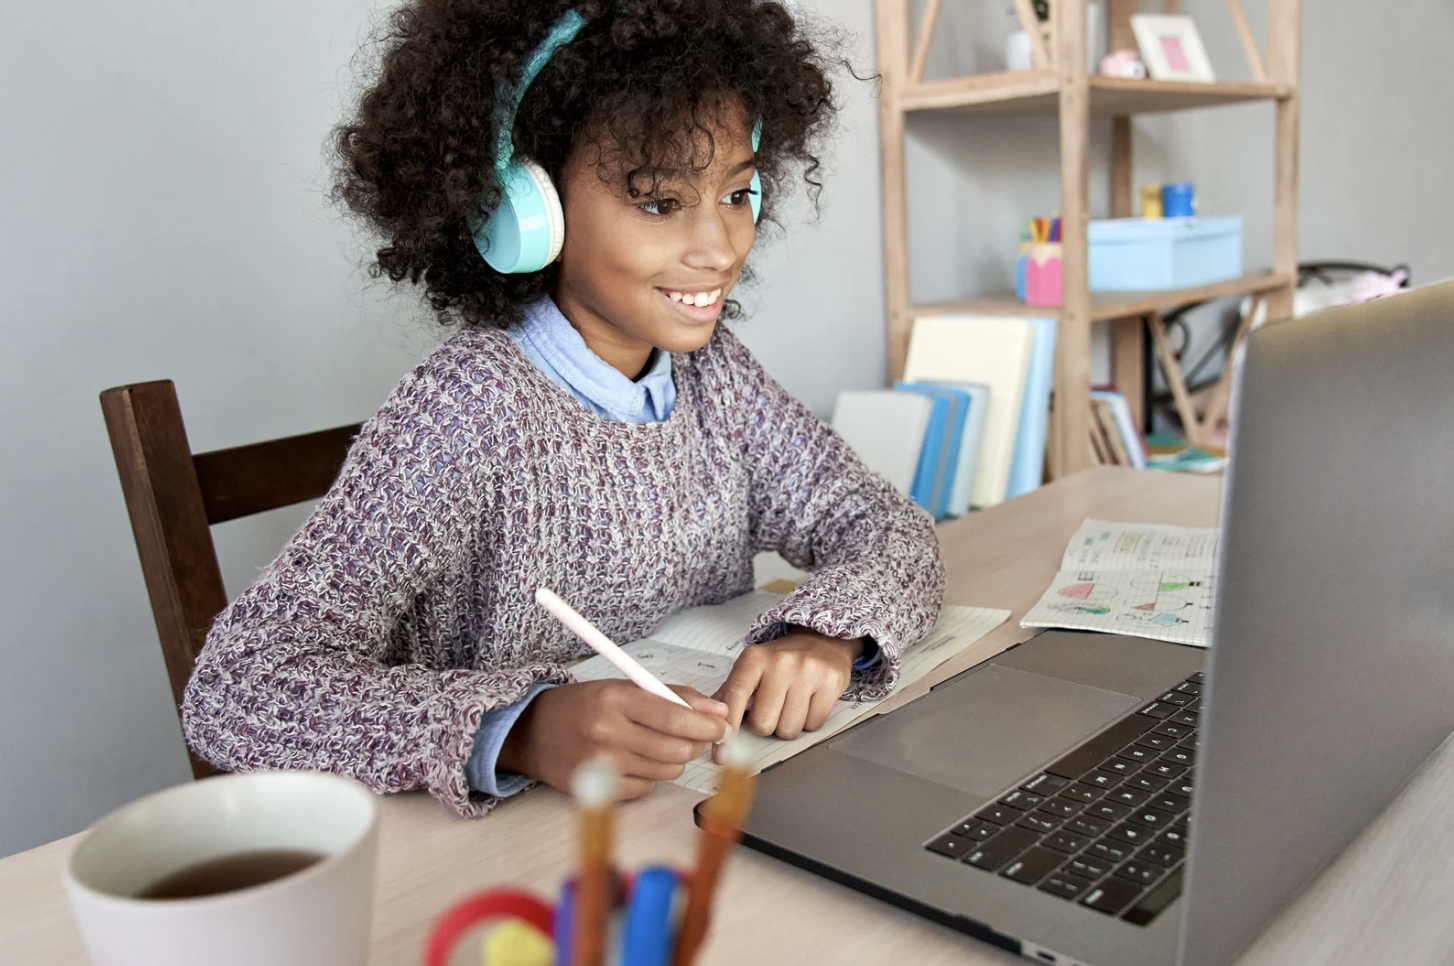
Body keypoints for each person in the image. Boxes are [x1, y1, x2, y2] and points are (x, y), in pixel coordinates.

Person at [182, 0, 945, 816]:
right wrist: (518, 729)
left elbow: (886, 526)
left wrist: (827, 634)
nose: (720, 248)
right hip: (498, 873)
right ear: (524, 211)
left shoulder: (719, 380)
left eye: (737, 193)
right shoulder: (466, 412)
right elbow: (238, 684)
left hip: (678, 821)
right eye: (659, 202)